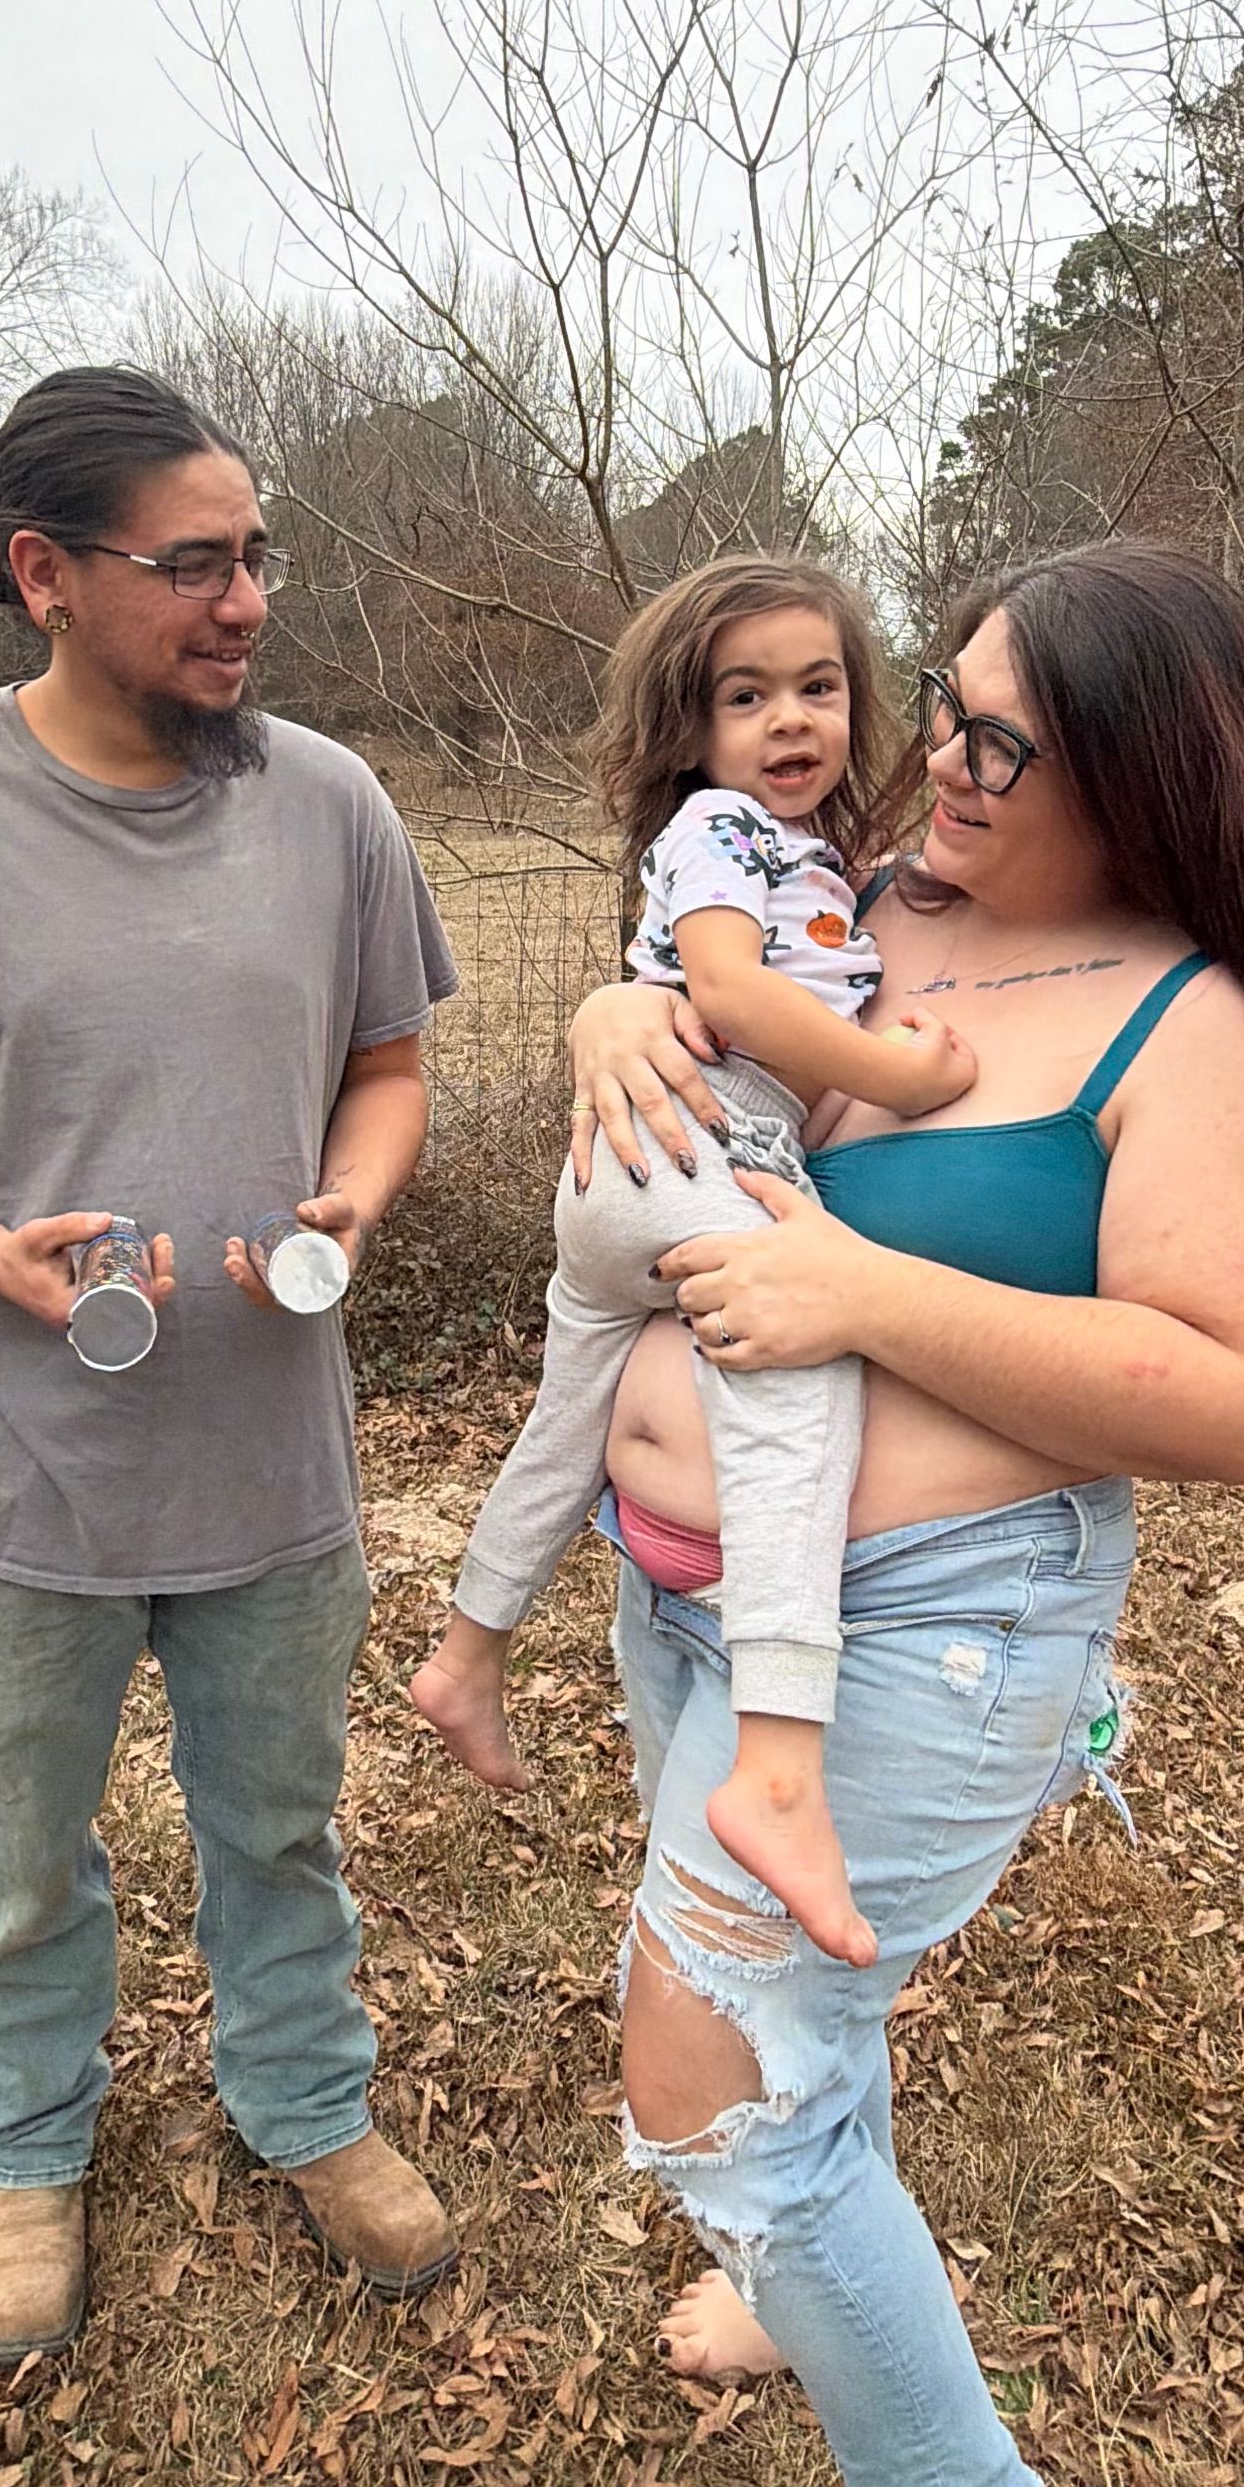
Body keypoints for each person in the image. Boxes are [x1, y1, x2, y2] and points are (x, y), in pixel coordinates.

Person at [563, 543, 1244, 2487]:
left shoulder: (1178, 1016)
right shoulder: (874, 904)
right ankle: (792, 2261)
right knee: (803, 2038)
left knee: (707, 2073)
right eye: (951, 701)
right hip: (711, 1586)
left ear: (1141, 777)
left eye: (1005, 741)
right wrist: (615, 1008)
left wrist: (871, 1296)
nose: (940, 756)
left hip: (936, 1627)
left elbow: (1232, 1396)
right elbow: (706, 993)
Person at [0, 366, 462, 2367]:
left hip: (269, 1468)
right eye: (196, 566)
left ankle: (307, 2105)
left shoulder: (331, 806)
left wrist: (349, 1201)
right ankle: (26, 2142)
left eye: (258, 557)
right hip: (7, 1469)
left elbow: (392, 1065)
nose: (247, 603)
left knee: (280, 1824)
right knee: (18, 1860)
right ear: (46, 575)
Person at [412, 559, 973, 1965]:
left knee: (567, 1421)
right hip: (695, 1153)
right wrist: (896, 1077)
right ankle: (780, 1770)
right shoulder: (724, 830)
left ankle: (469, 1649)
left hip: (628, 1186)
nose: (790, 719)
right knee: (803, 1371)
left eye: (820, 687)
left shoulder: (818, 861)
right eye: (747, 695)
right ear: (693, 732)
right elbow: (722, 993)